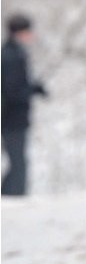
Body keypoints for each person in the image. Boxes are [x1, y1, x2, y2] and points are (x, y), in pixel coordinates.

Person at [1, 14, 48, 196]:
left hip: (14, 117)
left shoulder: (14, 53)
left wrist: (35, 87)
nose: (31, 35)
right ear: (18, 33)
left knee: (18, 162)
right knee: (18, 163)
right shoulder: (11, 56)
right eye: (28, 31)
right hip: (12, 118)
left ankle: (9, 198)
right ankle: (12, 199)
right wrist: (32, 90)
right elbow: (12, 91)